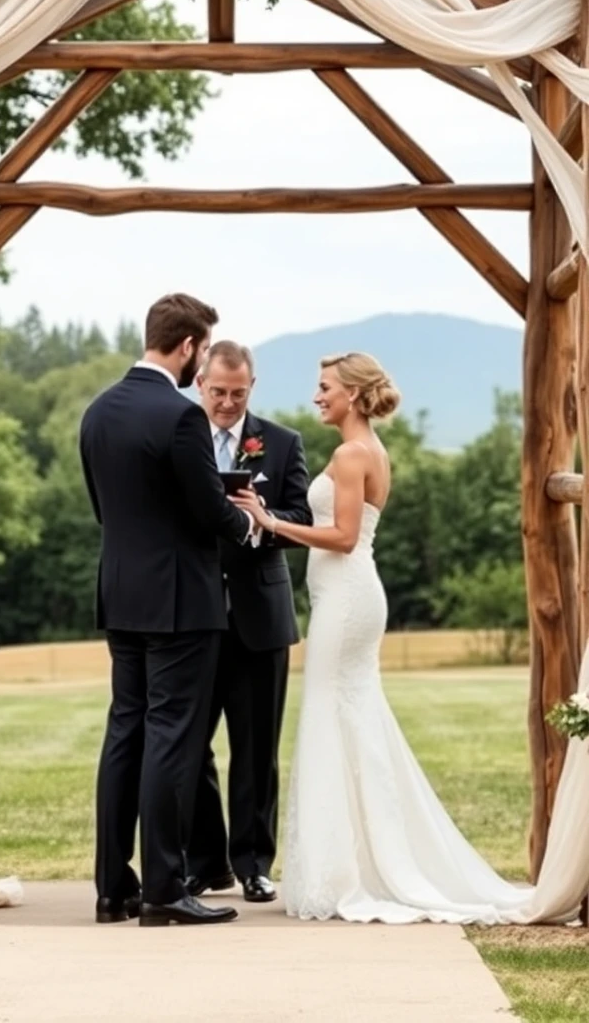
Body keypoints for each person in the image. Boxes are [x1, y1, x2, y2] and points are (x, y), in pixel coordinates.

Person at [234, 352, 537, 925]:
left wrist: (270, 523)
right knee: (349, 720)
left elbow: (344, 537)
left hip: (347, 600)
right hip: (346, 598)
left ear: (351, 392)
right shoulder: (366, 449)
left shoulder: (352, 454)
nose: (317, 396)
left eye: (324, 387)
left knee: (330, 715)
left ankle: (346, 872)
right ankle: (355, 861)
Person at [80, 294, 253, 928]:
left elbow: (108, 507)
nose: (200, 362)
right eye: (203, 351)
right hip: (181, 600)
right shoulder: (180, 417)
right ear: (188, 348)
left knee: (124, 731)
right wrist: (248, 525)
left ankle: (111, 889)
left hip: (121, 594)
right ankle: (163, 888)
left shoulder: (98, 411)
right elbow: (207, 509)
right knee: (173, 738)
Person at [186, 341, 311, 904]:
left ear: (252, 386)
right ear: (200, 384)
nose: (227, 403)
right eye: (218, 392)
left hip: (261, 613)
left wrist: (263, 517)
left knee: (257, 748)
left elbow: (302, 517)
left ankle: (255, 862)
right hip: (194, 614)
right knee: (189, 745)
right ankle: (206, 862)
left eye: (238, 393)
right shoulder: (180, 437)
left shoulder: (282, 443)